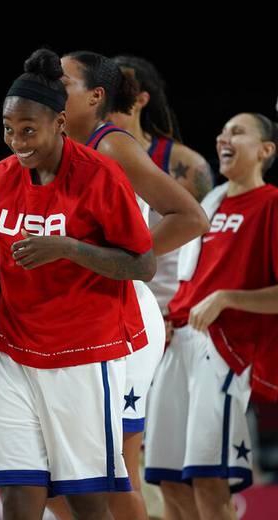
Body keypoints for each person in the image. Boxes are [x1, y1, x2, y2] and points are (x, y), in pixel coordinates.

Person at [0, 48, 156, 520]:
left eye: (28, 130)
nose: (16, 141)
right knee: (19, 499)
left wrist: (69, 248)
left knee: (88, 503)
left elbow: (143, 264)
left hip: (83, 356)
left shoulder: (100, 174)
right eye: (8, 130)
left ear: (59, 124)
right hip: (13, 356)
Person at [55, 50, 209, 520]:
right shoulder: (51, 144)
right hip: (73, 316)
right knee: (51, 475)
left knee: (118, 467)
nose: (52, 87)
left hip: (123, 317)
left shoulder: (111, 144)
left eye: (63, 81)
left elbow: (192, 217)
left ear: (95, 96)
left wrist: (123, 261)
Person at [145, 113, 278, 520]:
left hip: (222, 349)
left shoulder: (271, 202)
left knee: (208, 479)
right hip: (179, 340)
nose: (224, 137)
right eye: (222, 131)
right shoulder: (208, 204)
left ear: (265, 150)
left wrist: (225, 298)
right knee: (166, 479)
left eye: (238, 132)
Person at [109, 55, 213, 315]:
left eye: (118, 89)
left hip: (166, 307)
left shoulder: (185, 163)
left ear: (142, 99)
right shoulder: (79, 156)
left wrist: (186, 309)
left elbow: (210, 244)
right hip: (106, 302)